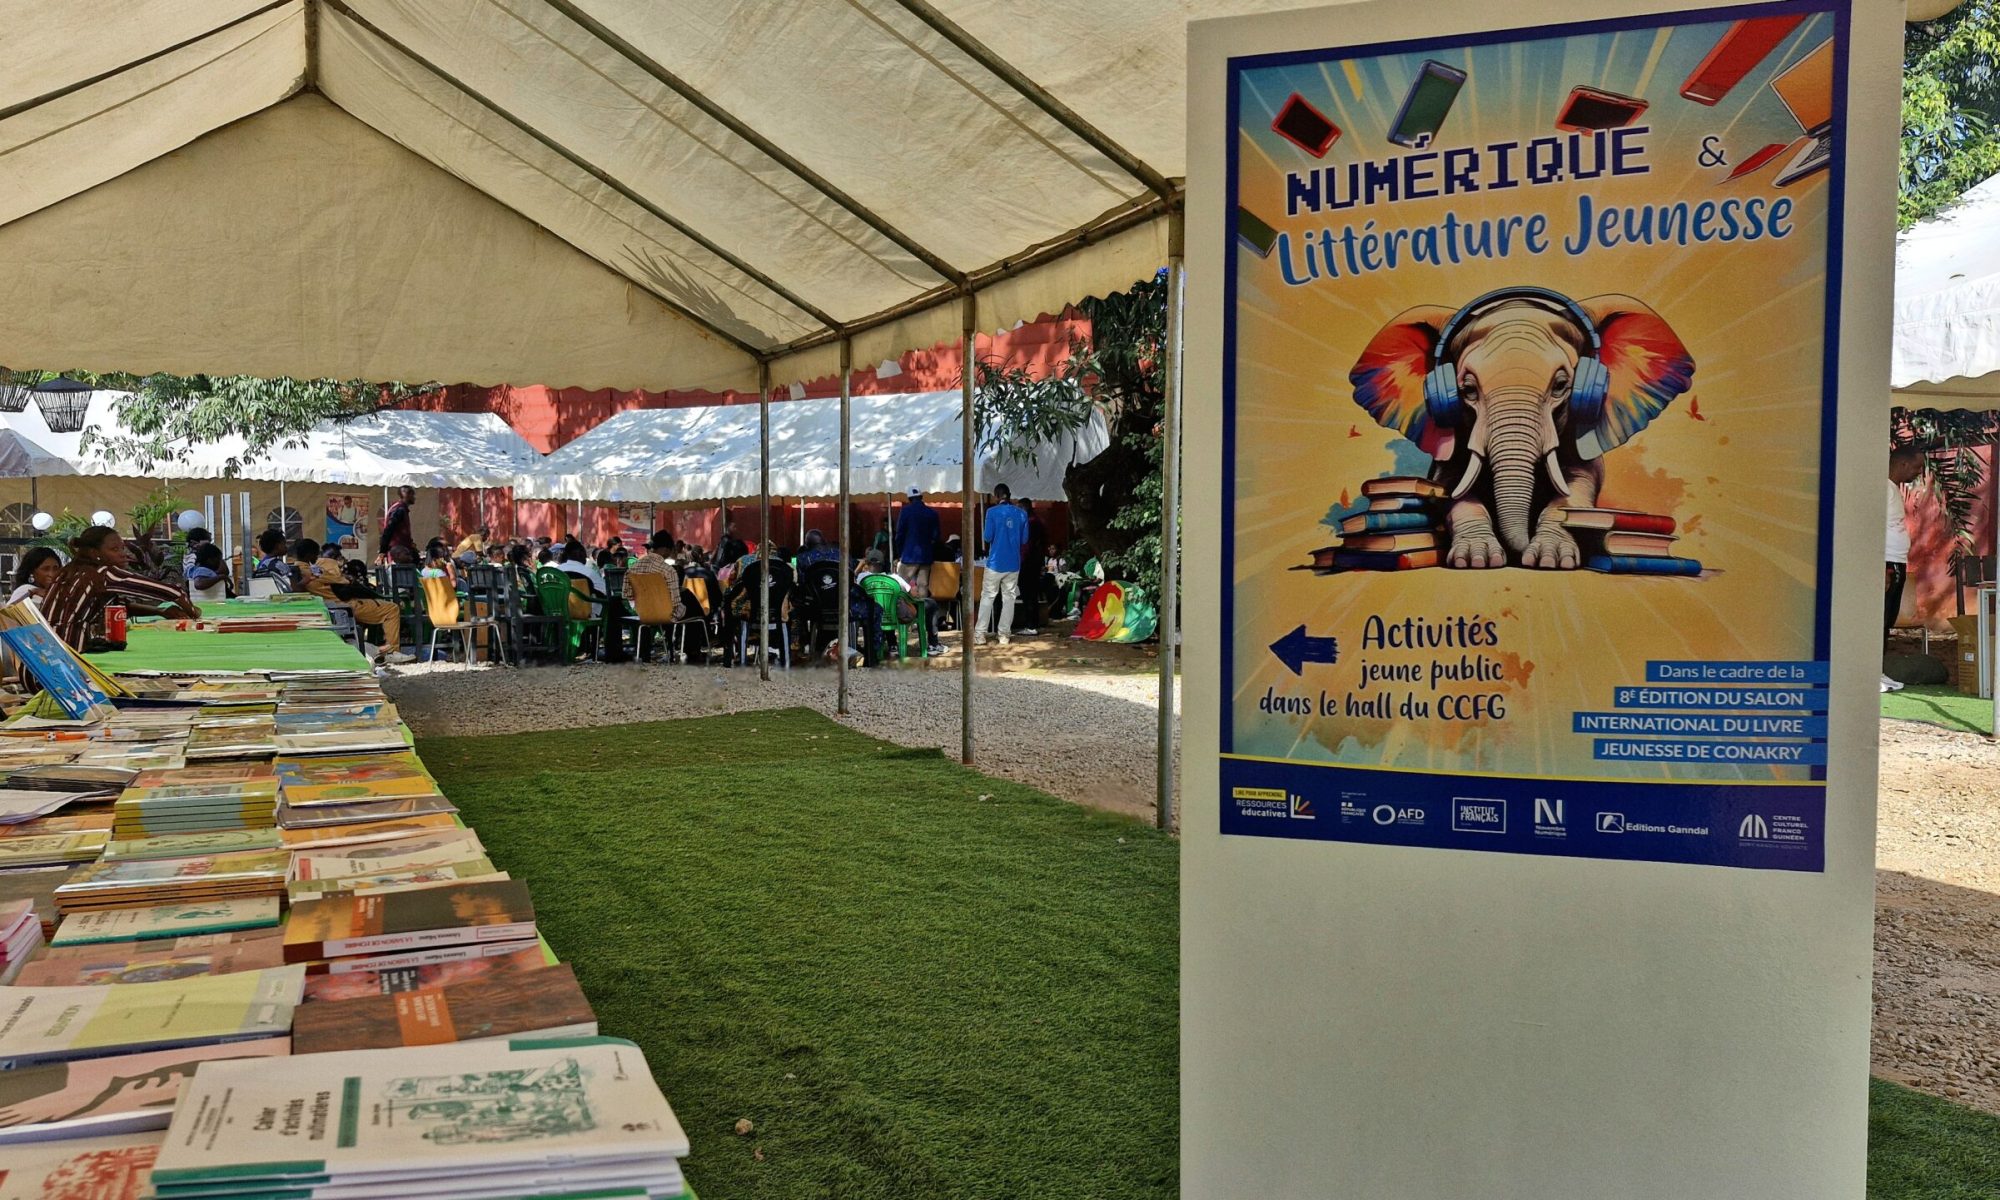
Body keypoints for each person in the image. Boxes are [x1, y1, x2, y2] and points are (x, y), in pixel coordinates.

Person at [41, 527, 199, 652]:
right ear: (94, 553)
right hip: (65, 662)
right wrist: (194, 614)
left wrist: (160, 612)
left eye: (122, 548)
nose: (124, 555)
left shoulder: (72, 571)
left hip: (42, 657)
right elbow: (173, 592)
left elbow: (120, 607)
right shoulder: (103, 573)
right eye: (114, 550)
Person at [295, 537, 411, 665]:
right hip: (344, 607)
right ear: (309, 554)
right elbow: (342, 580)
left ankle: (380, 650)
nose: (317, 557)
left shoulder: (296, 570)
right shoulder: (316, 569)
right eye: (316, 554)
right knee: (391, 609)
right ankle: (393, 652)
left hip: (328, 608)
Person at [1885, 447, 1924, 693]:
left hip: (1896, 561)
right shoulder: (1882, 488)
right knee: (1879, 620)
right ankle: (1870, 674)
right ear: (1902, 465)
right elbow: (1871, 526)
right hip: (1886, 563)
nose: (1919, 472)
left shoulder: (1892, 489)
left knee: (1887, 620)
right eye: (1917, 467)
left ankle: (1878, 671)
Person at [975, 483, 1028, 646]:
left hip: (995, 563)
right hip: (1013, 563)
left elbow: (988, 536)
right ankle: (1004, 635)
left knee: (988, 597)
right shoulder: (1021, 513)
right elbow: (1024, 540)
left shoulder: (991, 512)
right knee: (1009, 599)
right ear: (1010, 494)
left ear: (996, 496)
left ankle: (980, 634)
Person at [895, 487, 940, 597]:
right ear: (921, 497)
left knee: (901, 584)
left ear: (909, 498)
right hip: (926, 556)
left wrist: (900, 552)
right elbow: (936, 536)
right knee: (923, 585)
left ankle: (903, 612)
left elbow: (900, 534)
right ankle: (923, 612)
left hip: (909, 555)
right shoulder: (932, 513)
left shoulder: (905, 511)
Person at [380, 485, 418, 564]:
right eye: (412, 494)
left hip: (402, 548)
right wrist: (382, 551)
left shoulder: (402, 509)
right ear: (406, 495)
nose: (415, 497)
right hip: (398, 552)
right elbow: (388, 529)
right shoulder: (399, 510)